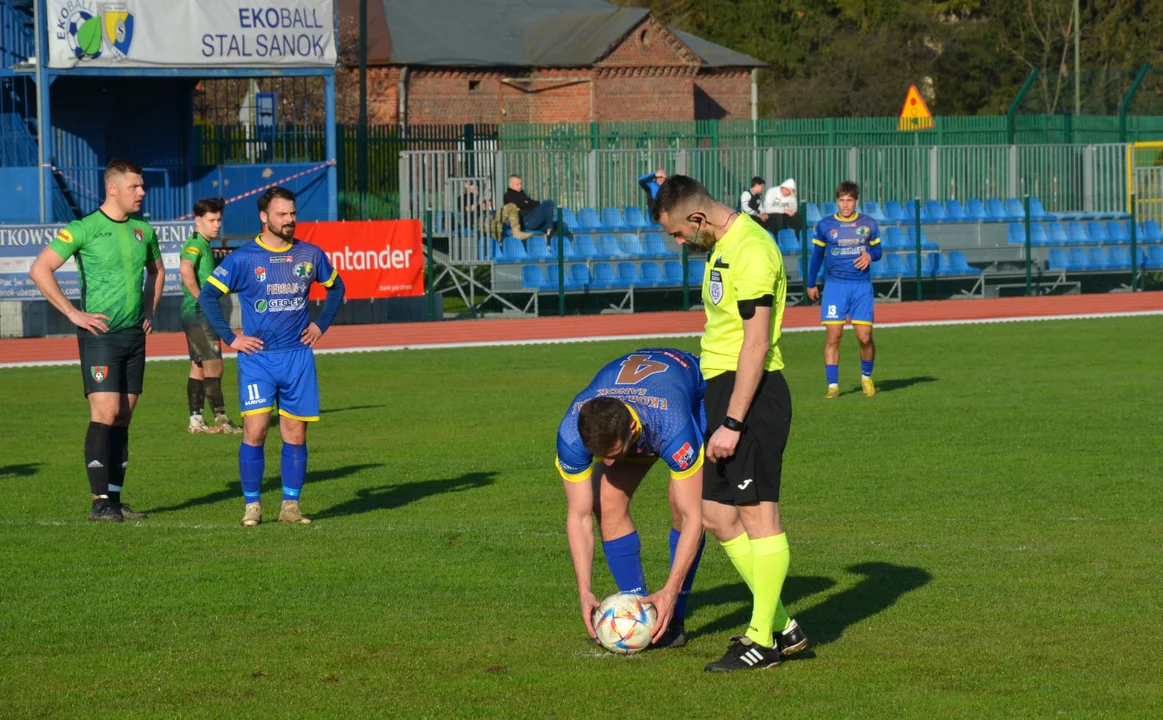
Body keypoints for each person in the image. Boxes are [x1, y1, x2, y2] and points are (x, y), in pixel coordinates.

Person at [652, 175, 806, 672]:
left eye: (678, 234)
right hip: (722, 388)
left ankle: (762, 641)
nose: (679, 243)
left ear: (697, 219)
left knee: (760, 518)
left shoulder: (752, 252)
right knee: (717, 514)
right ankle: (783, 624)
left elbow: (757, 343)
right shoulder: (721, 245)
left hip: (752, 397)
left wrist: (734, 421)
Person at [196, 187, 346, 527]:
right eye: (282, 214)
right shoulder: (243, 258)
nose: (290, 220)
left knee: (296, 434)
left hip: (298, 358)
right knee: (256, 430)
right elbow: (207, 296)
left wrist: (321, 325)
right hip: (258, 359)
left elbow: (337, 288)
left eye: (292, 213)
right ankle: (252, 506)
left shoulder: (310, 254)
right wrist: (232, 337)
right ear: (264, 218)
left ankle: (290, 507)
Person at [28, 158, 164, 522]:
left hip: (135, 336)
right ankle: (99, 501)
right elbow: (40, 269)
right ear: (113, 188)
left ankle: (116, 500)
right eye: (135, 186)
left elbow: (158, 270)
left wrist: (149, 311)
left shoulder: (143, 230)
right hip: (99, 337)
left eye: (142, 185)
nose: (142, 192)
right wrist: (74, 314)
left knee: (123, 416)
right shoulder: (83, 228)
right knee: (104, 413)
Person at [558, 348, 707, 648]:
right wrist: (584, 590)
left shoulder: (672, 426)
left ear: (630, 429)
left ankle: (673, 616)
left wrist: (671, 589)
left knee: (681, 504)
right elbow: (579, 515)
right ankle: (640, 613)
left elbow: (696, 517)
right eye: (600, 457)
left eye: (613, 455)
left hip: (693, 396)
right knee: (606, 500)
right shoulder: (571, 436)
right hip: (641, 412)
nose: (608, 462)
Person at [807, 181, 882, 400]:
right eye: (841, 200)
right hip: (835, 287)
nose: (845, 204)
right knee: (834, 336)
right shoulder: (825, 225)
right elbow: (817, 257)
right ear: (837, 201)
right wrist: (811, 283)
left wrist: (870, 255)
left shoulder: (868, 224)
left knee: (865, 338)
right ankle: (833, 385)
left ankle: (866, 377)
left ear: (856, 201)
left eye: (849, 200)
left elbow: (877, 249)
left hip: (861, 286)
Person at [179, 197, 242, 434]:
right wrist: (202, 299)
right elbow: (185, 269)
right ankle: (222, 420)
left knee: (199, 366)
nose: (217, 225)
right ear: (198, 221)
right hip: (199, 313)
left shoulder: (203, 244)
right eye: (211, 220)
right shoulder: (196, 244)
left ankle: (196, 421)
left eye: (218, 220)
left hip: (191, 313)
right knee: (214, 365)